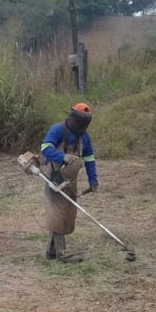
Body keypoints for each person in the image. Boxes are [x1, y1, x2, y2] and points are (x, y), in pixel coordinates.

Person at [40, 103, 99, 262]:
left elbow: (89, 158)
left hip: (71, 181)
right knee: (57, 213)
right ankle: (61, 254)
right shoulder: (57, 129)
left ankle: (50, 252)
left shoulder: (84, 137)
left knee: (68, 214)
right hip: (55, 177)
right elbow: (45, 148)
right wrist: (62, 157)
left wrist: (93, 180)